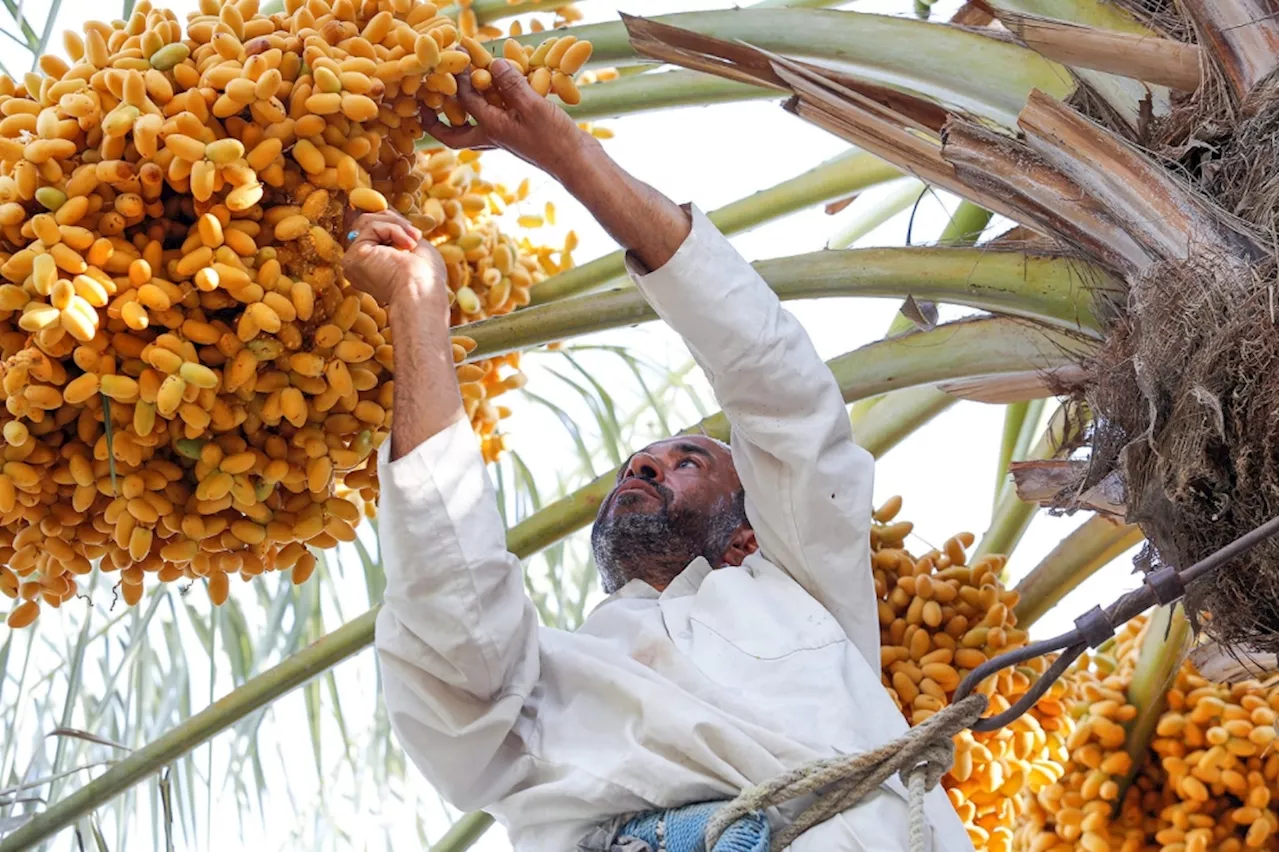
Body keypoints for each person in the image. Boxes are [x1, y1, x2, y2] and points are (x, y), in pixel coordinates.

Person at [341, 59, 973, 852]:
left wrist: (568, 155)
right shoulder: (529, 689)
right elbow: (447, 588)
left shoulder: (804, 592)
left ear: (751, 533)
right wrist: (417, 310)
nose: (642, 467)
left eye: (687, 462)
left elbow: (780, 388)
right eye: (637, 464)